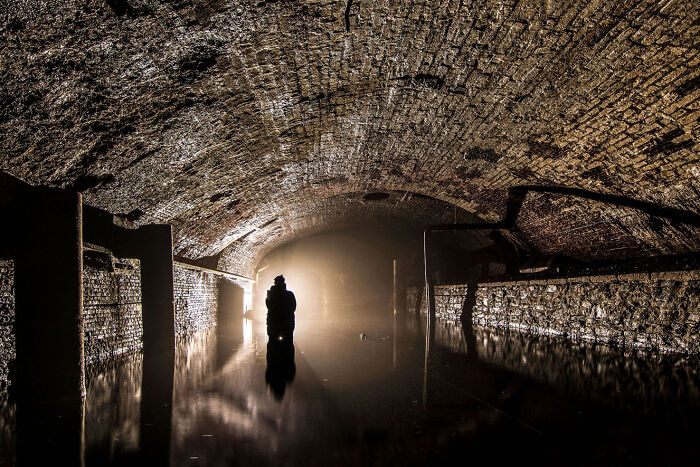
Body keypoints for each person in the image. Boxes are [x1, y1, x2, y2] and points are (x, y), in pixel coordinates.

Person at [265, 275, 296, 342]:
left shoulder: (271, 295)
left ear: (275, 283)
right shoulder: (290, 294)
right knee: (287, 345)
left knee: (273, 345)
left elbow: (268, 306)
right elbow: (293, 307)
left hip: (273, 324)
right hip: (287, 324)